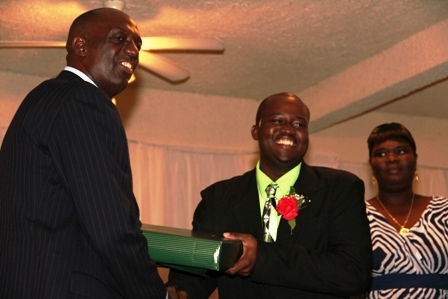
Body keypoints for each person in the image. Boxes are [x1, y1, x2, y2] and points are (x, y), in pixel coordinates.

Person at [0, 8, 176, 299]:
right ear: (80, 46)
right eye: (120, 38)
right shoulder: (83, 101)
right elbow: (111, 229)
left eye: (137, 44)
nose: (132, 51)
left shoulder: (43, 98)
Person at [167, 92, 373, 298]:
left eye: (299, 124)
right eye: (276, 120)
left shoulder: (340, 188)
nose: (288, 130)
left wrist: (262, 257)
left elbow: (354, 272)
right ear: (255, 131)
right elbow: (199, 270)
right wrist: (182, 290)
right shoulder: (218, 197)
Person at [361, 122, 448, 298]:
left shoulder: (444, 210)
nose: (391, 158)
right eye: (381, 153)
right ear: (371, 164)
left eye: (401, 151)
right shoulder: (356, 215)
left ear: (415, 159)